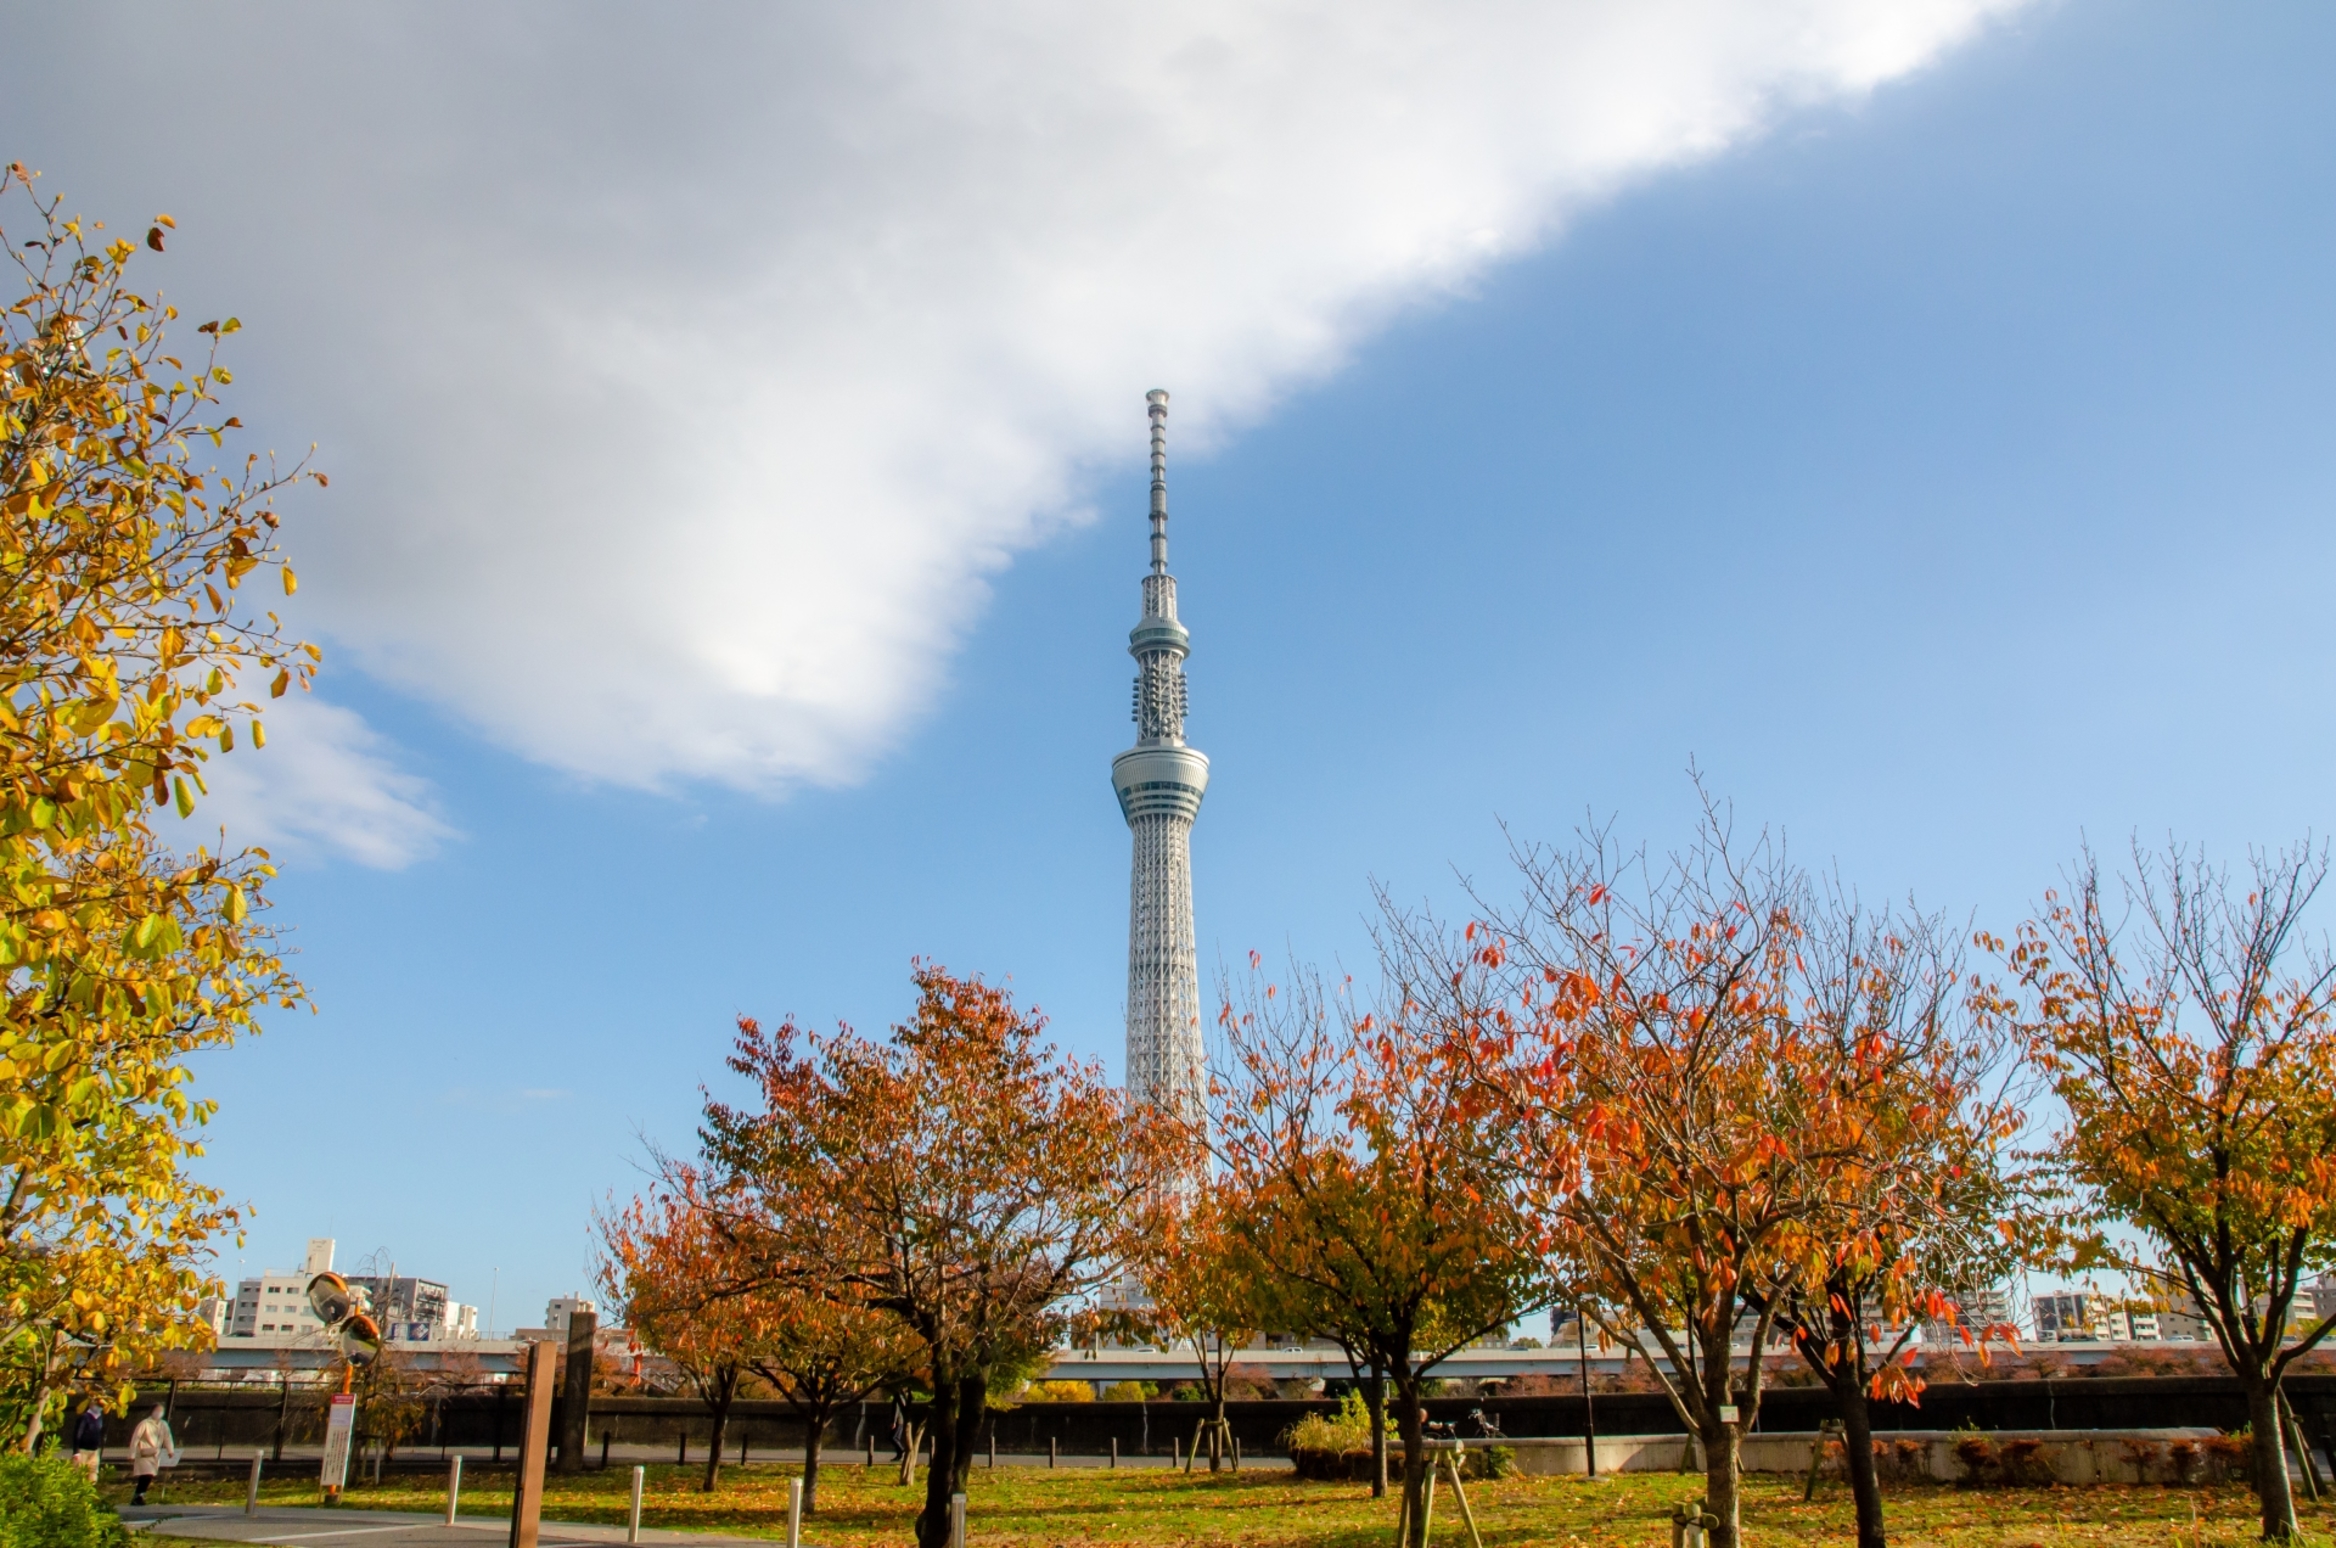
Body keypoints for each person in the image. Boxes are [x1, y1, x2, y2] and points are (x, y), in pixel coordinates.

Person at [127, 1404, 176, 1505]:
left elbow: (167, 1438)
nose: (159, 1413)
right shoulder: (144, 1424)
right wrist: (131, 1454)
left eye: (161, 1411)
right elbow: (135, 1439)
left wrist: (170, 1450)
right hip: (144, 1453)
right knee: (146, 1474)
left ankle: (139, 1496)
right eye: (157, 1410)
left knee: (149, 1476)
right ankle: (139, 1495)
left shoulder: (163, 1424)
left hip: (154, 1454)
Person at [68, 1400, 106, 1482]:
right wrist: (76, 1451)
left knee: (93, 1474)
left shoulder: (99, 1418)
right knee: (78, 1474)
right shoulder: (84, 1417)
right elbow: (78, 1434)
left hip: (94, 1450)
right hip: (83, 1450)